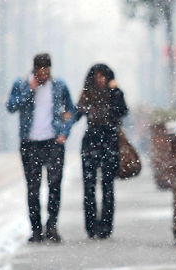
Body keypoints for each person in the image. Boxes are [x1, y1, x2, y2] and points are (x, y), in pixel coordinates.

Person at [6, 53, 75, 243]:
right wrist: (30, 91)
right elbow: (11, 106)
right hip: (30, 143)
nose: (43, 75)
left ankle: (51, 227)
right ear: (34, 70)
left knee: (54, 186)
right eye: (40, 72)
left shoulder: (59, 85)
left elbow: (72, 109)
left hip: (53, 142)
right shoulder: (21, 84)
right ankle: (36, 230)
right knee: (33, 188)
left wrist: (65, 132)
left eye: (46, 72)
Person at [75, 64, 128, 239]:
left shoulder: (114, 93)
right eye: (97, 76)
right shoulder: (87, 93)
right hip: (91, 141)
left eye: (103, 76)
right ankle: (91, 226)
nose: (100, 79)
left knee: (108, 185)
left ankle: (106, 226)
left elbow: (122, 111)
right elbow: (77, 113)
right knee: (89, 186)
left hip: (109, 140)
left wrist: (116, 90)